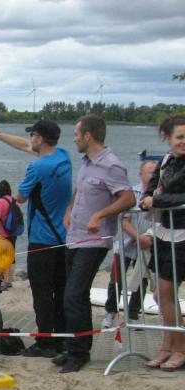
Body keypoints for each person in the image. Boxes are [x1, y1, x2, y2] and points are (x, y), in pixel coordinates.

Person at [0, 117, 72, 359]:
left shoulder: (38, 167)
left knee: (42, 293)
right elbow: (24, 145)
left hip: (42, 239)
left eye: (33, 135)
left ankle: (45, 342)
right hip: (63, 236)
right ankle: (62, 338)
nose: (30, 139)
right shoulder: (64, 156)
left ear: (40, 139)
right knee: (61, 290)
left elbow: (20, 197)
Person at [52, 115, 134, 373]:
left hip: (95, 241)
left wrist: (99, 215)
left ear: (88, 136)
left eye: (77, 134)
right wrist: (70, 209)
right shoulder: (86, 162)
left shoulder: (111, 164)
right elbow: (81, 190)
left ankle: (78, 353)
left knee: (73, 295)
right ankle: (76, 347)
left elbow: (128, 198)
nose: (74, 139)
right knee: (74, 296)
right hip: (75, 237)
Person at [139, 114, 185, 371]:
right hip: (165, 231)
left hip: (183, 233)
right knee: (161, 294)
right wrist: (147, 199)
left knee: (166, 292)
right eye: (180, 137)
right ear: (168, 138)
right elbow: (150, 189)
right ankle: (168, 346)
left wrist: (156, 201)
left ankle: (180, 348)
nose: (184, 141)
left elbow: (176, 196)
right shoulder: (166, 161)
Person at [103, 160, 156, 326]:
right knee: (116, 279)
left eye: (156, 172)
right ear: (141, 174)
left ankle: (133, 315)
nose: (153, 175)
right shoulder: (132, 193)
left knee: (141, 280)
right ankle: (111, 312)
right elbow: (124, 220)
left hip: (147, 244)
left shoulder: (159, 196)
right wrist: (138, 237)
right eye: (150, 172)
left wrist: (148, 238)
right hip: (125, 244)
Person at [0, 180, 18, 288]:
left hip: (2, 234)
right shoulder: (13, 200)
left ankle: (3, 282)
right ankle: (10, 281)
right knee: (11, 257)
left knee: (2, 258)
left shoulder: (0, 202)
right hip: (13, 233)